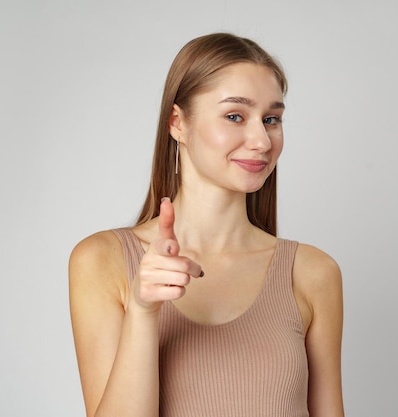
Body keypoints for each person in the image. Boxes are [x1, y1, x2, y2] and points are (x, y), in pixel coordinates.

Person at [69, 32, 344, 417]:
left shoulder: (314, 273)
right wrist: (144, 311)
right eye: (235, 116)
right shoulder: (102, 261)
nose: (262, 140)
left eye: (272, 119)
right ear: (177, 123)